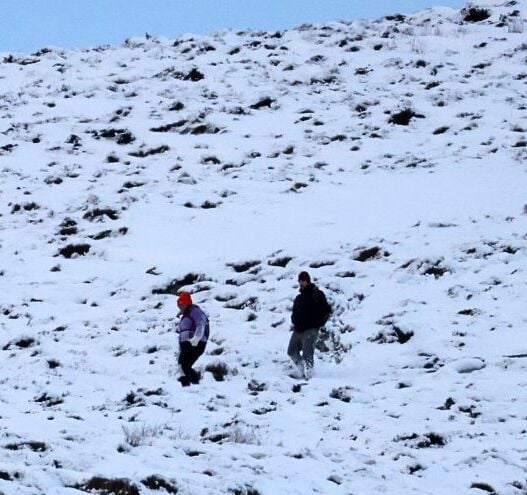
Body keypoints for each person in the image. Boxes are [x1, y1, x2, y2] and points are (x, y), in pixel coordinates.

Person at [289, 271, 331, 379]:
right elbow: (294, 313)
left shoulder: (317, 294)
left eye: (303, 281)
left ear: (308, 281)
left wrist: (318, 324)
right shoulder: (298, 298)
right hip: (298, 329)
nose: (301, 283)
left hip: (311, 329)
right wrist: (294, 321)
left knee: (308, 353)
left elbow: (326, 310)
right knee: (291, 350)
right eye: (300, 281)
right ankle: (300, 368)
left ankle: (310, 374)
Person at [176, 292, 209, 386]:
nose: (179, 306)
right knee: (183, 365)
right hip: (186, 344)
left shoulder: (195, 311)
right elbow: (182, 333)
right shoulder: (186, 315)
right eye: (178, 305)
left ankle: (188, 385)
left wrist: (196, 338)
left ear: (186, 303)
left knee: (183, 365)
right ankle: (195, 382)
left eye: (181, 304)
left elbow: (200, 324)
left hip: (195, 343)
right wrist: (180, 347)